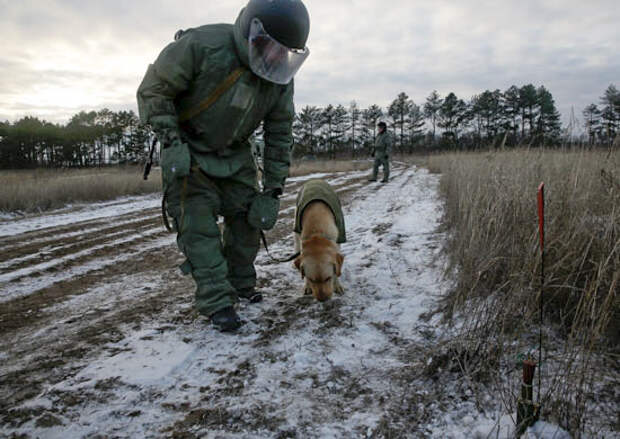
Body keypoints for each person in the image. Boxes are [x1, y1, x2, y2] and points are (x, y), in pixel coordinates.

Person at [136, 0, 310, 332]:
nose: (274, 58)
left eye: (282, 53)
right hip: (190, 156)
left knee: (249, 222)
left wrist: (272, 191)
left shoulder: (279, 79)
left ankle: (241, 283)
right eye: (268, 48)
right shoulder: (201, 45)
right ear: (251, 32)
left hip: (236, 158)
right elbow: (154, 90)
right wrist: (171, 141)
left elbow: (279, 133)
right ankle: (218, 302)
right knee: (199, 233)